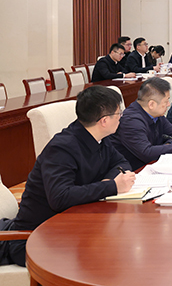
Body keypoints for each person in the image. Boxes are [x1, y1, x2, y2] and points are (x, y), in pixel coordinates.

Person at [0, 86, 135, 267]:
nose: (121, 117)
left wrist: (107, 182)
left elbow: (121, 163)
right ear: (104, 120)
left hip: (73, 227)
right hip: (36, 238)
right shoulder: (62, 148)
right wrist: (112, 186)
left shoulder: (100, 137)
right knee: (107, 259)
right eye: (119, 113)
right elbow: (60, 197)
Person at [110, 78, 172, 171]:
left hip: (155, 165)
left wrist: (167, 146)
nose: (168, 104)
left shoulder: (156, 114)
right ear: (151, 104)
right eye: (166, 101)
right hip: (135, 172)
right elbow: (147, 153)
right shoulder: (131, 122)